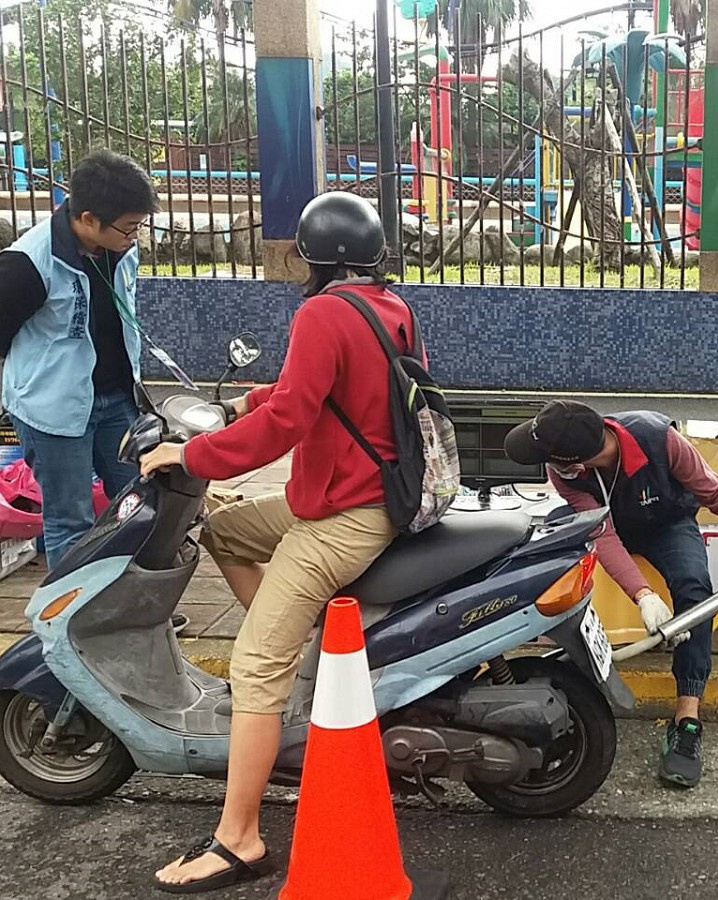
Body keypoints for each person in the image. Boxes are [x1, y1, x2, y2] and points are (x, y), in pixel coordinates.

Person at [143, 192, 424, 893]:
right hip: (357, 498)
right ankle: (289, 652)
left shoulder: (322, 311)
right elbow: (319, 389)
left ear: (310, 257)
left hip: (343, 517)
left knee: (254, 663)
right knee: (226, 529)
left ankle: (239, 838)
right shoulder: (388, 306)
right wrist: (245, 401)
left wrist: (194, 454)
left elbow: (290, 424)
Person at [505, 401, 718, 787]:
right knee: (561, 571)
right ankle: (570, 675)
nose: (547, 466)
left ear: (576, 459)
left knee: (695, 587)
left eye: (550, 459)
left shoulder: (660, 439)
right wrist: (642, 594)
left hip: (667, 524)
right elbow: (603, 536)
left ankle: (687, 719)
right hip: (606, 527)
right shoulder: (564, 474)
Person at [0, 148, 157, 568]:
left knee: (136, 506)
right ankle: (69, 628)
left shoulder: (120, 247)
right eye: (128, 228)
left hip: (115, 401)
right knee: (71, 520)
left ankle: (130, 615)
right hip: (52, 410)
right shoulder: (28, 264)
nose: (134, 237)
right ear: (87, 218)